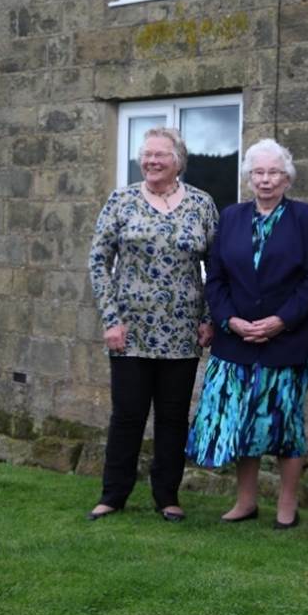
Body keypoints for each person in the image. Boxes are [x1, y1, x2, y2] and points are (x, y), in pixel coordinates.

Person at [186, 138, 308, 529]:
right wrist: (229, 320)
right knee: (241, 420)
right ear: (249, 178)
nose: (266, 180)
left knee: (285, 423)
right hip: (236, 339)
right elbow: (214, 278)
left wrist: (281, 321)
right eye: (259, 173)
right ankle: (245, 501)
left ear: (287, 179)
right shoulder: (229, 217)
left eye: (274, 173)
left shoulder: (307, 218)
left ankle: (287, 504)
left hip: (289, 339)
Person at [87, 127, 218, 522]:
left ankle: (167, 496)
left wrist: (209, 318)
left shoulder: (201, 203)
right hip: (130, 331)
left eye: (160, 155)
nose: (152, 161)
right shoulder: (121, 200)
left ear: (178, 160)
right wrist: (111, 319)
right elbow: (98, 261)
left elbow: (217, 266)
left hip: (182, 331)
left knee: (174, 416)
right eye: (146, 155)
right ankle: (113, 494)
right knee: (127, 415)